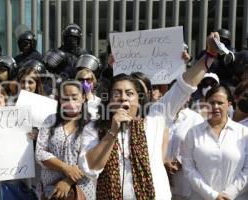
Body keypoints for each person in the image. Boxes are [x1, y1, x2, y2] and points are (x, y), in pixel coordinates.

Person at [78, 32, 220, 199]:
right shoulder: (94, 128)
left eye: (129, 93)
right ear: (108, 100)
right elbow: (91, 168)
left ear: (139, 99)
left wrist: (209, 55)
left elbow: (185, 84)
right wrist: (111, 132)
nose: (123, 97)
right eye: (117, 93)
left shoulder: (155, 118)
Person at [182, 85, 248, 200]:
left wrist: (229, 194)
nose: (215, 106)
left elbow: (247, 169)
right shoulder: (193, 133)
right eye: (211, 103)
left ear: (229, 104)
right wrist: (213, 195)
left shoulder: (244, 133)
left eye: (220, 103)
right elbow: (188, 168)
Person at [35, 80, 95, 200]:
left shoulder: (92, 124)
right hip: (51, 191)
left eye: (74, 98)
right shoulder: (50, 120)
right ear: (59, 100)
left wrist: (67, 182)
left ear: (83, 98)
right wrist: (65, 168)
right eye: (65, 99)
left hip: (81, 191)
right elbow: (40, 153)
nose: (70, 103)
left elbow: (91, 160)